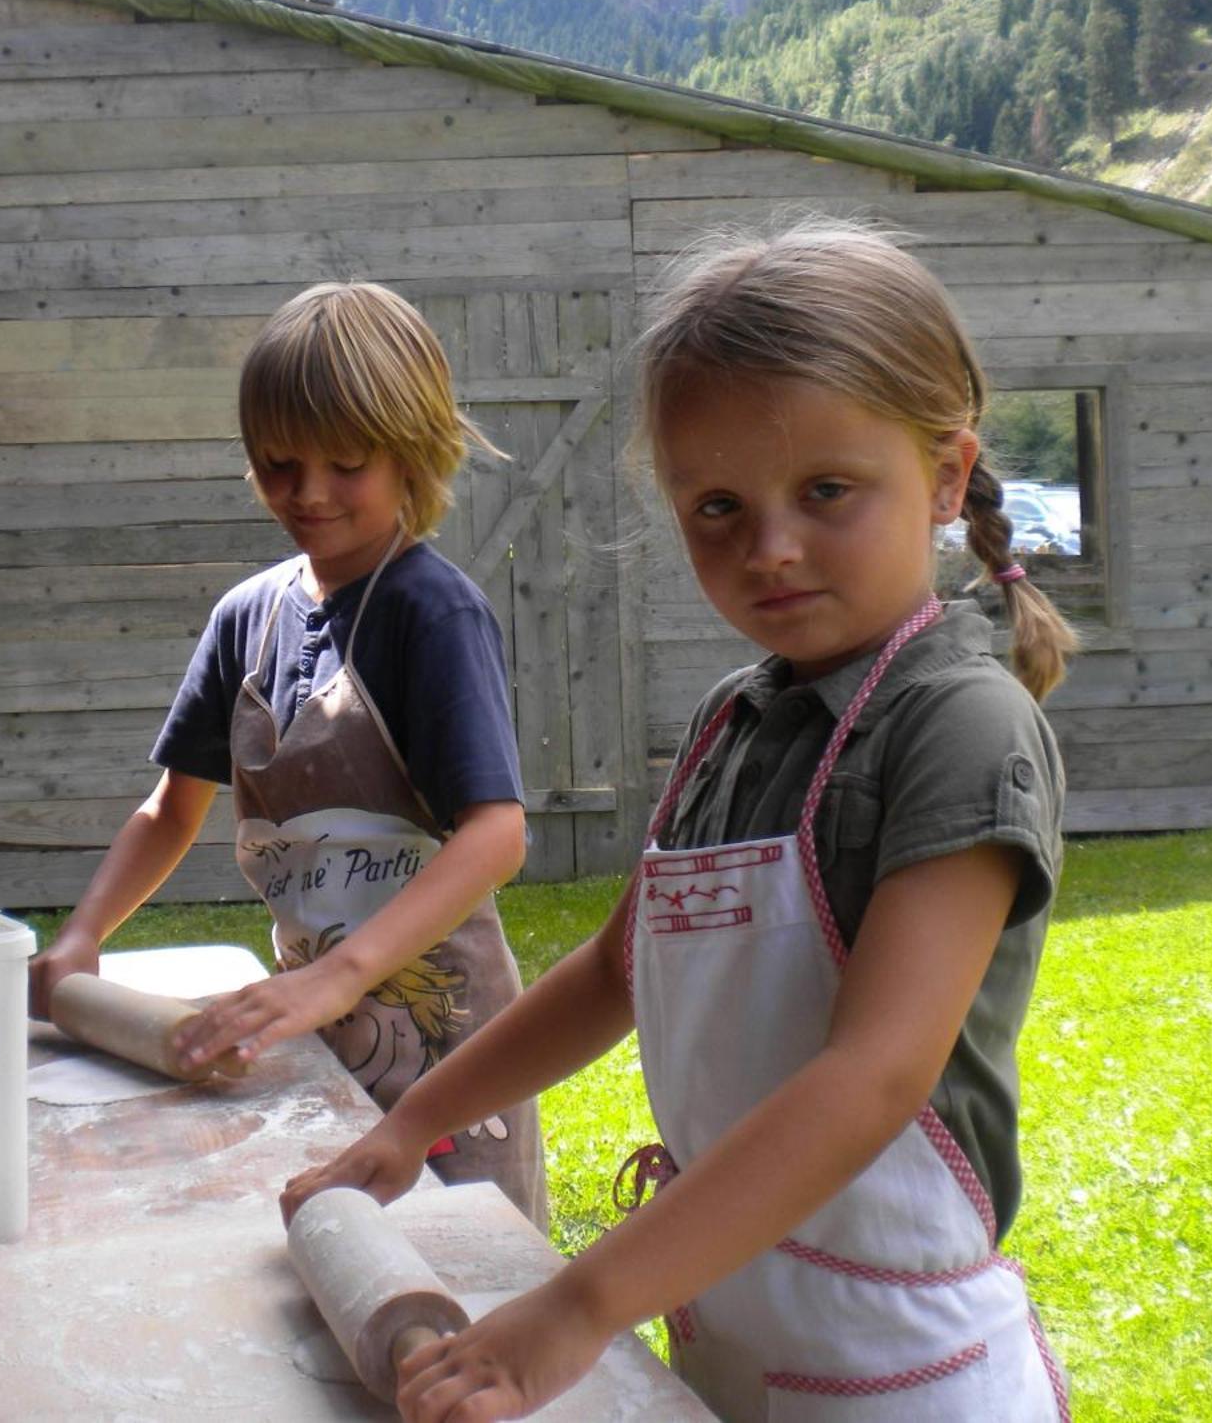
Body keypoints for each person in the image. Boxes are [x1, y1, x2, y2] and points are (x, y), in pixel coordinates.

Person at [280, 221, 1077, 1422]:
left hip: (898, 1372)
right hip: (725, 1324)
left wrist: (576, 1306)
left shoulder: (957, 727)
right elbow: (616, 968)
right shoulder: (731, 722)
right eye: (714, 507)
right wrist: (419, 1121)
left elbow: (870, 1081)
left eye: (824, 491)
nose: (770, 548)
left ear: (947, 476)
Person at [26, 281, 545, 1224]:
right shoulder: (246, 620)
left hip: (451, 1047)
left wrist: (337, 974)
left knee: (463, 1283)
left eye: (346, 462)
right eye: (277, 463)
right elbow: (170, 810)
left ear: (413, 451)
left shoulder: (430, 615)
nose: (307, 493)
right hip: (315, 1024)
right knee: (334, 1252)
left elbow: (496, 838)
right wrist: (82, 936)